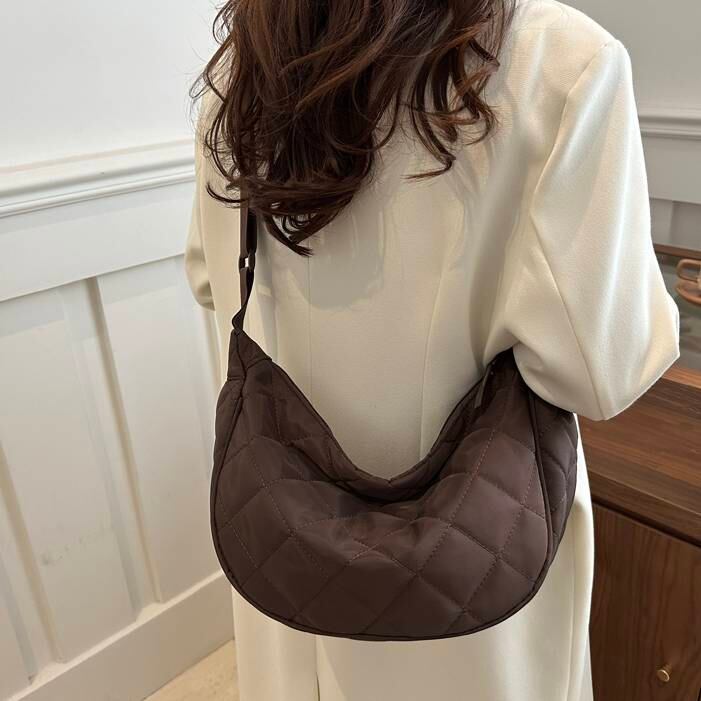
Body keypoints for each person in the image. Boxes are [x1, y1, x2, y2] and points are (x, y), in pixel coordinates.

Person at [184, 0, 680, 699]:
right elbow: (602, 373)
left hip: (287, 550)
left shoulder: (243, 70)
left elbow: (209, 277)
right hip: (479, 568)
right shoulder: (560, 58)